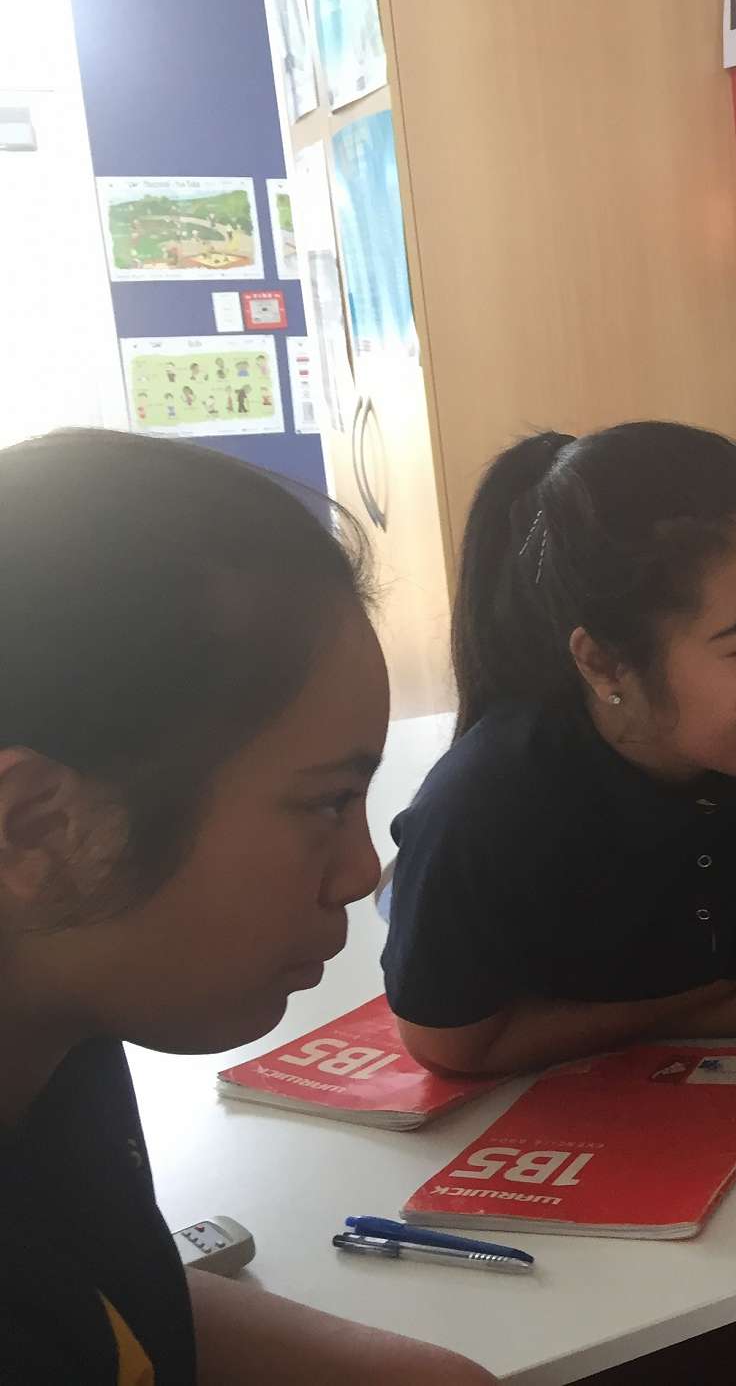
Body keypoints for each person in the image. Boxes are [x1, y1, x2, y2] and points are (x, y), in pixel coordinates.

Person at [0, 429, 491, 1384]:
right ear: (39, 828)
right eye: (326, 803)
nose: (360, 872)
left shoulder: (54, 1028)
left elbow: (94, 1288)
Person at [383, 423, 736, 1076]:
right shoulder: (485, 809)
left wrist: (609, 1020)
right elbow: (450, 1043)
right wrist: (718, 996)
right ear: (606, 663)